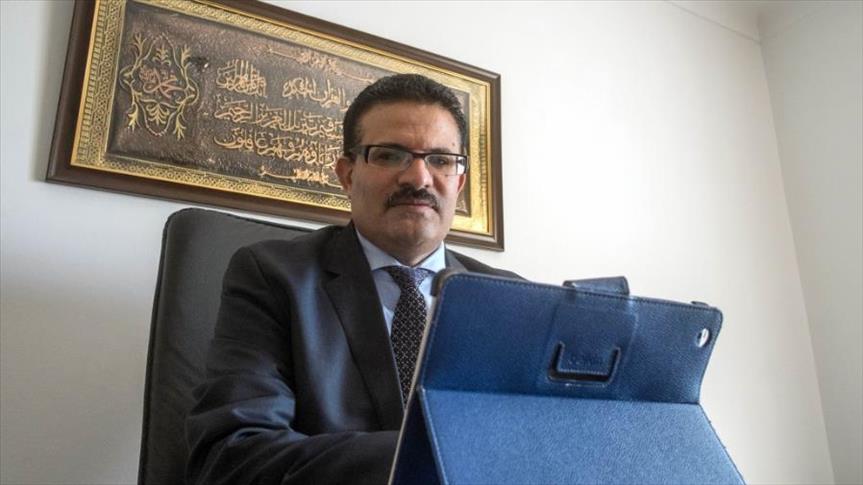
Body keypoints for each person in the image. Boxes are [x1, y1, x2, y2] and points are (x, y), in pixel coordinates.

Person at [185, 74, 517, 485]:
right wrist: (435, 454)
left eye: (440, 160)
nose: (418, 178)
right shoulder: (273, 276)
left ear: (459, 183)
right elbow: (234, 456)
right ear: (347, 175)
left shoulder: (508, 298)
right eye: (390, 155)